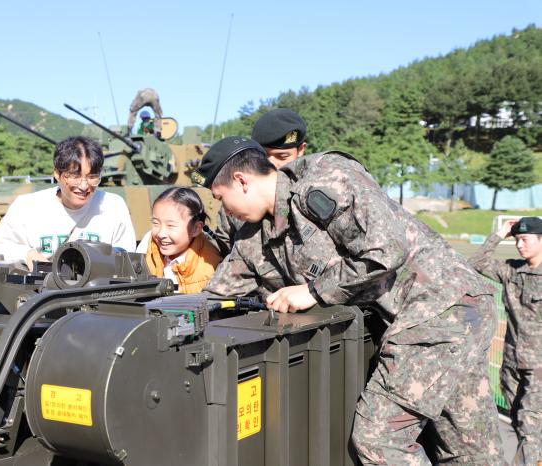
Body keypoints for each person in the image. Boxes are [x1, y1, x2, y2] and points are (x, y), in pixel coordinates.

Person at [194, 136, 504, 464]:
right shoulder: (254, 237)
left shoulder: (322, 179)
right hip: (439, 316)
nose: (223, 210)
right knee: (468, 447)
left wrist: (313, 291)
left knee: (378, 439)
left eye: (220, 198)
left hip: (441, 307)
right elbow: (216, 296)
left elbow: (387, 248)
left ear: (241, 181)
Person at [0, 136, 136, 269]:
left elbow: (127, 256)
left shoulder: (113, 206)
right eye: (74, 176)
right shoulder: (26, 207)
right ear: (57, 173)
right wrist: (27, 254)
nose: (84, 186)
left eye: (92, 177)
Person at [470, 216, 542, 465]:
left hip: (539, 367)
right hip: (511, 365)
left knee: (530, 423)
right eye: (517, 240)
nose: (520, 245)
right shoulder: (512, 271)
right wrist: (500, 233)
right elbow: (476, 263)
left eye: (525, 239)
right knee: (520, 423)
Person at [214, 108, 307, 252]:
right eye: (264, 156)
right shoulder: (237, 202)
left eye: (282, 157)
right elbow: (220, 245)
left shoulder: (312, 193)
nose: (272, 164)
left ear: (301, 150)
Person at [136, 187, 221, 293]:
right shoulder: (147, 246)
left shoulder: (211, 264)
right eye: (156, 223)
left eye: (170, 225)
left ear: (196, 229)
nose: (161, 234)